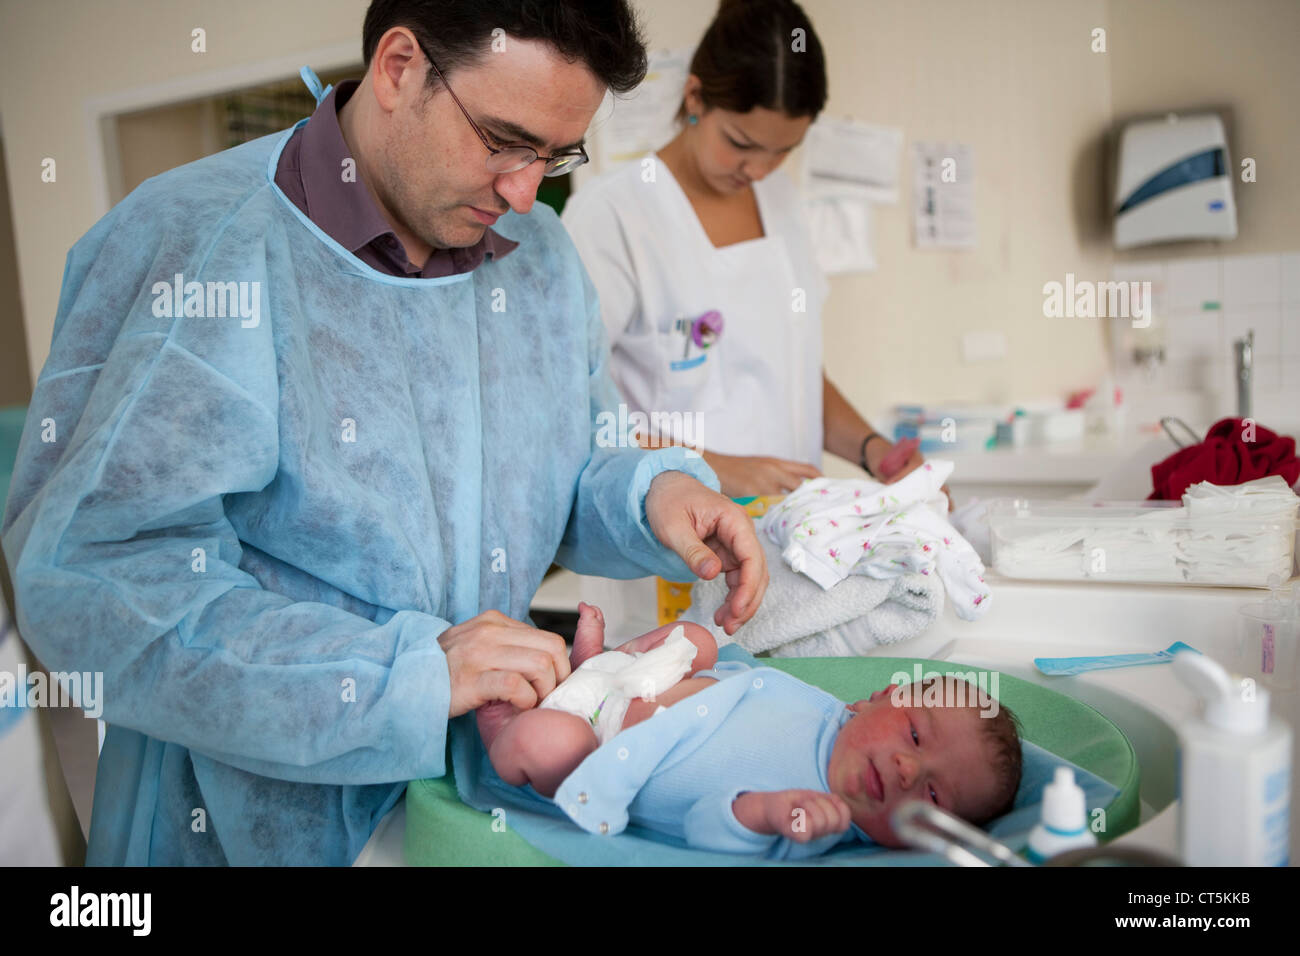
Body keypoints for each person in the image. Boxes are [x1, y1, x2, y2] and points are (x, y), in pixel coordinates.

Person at [0, 0, 768, 866]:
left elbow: (572, 461)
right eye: (504, 140)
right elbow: (100, 583)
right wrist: (400, 678)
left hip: (469, 802)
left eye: (555, 156)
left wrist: (652, 497)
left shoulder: (539, 256)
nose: (525, 190)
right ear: (400, 66)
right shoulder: (199, 246)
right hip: (247, 822)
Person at [562, 0, 938, 501]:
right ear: (695, 98)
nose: (758, 170)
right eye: (740, 142)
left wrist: (873, 449)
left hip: (786, 531)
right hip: (663, 551)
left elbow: (797, 376)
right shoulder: (612, 216)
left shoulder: (779, 201)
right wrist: (708, 467)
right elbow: (569, 408)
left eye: (782, 150)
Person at [479, 602, 1022, 859]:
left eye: (933, 793)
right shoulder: (832, 713)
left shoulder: (816, 818)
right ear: (876, 700)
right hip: (633, 683)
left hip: (601, 752)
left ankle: (502, 732)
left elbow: (708, 828)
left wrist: (767, 813)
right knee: (700, 637)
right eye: (915, 737)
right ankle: (595, 666)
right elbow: (733, 674)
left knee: (542, 742)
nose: (908, 769)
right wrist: (635, 676)